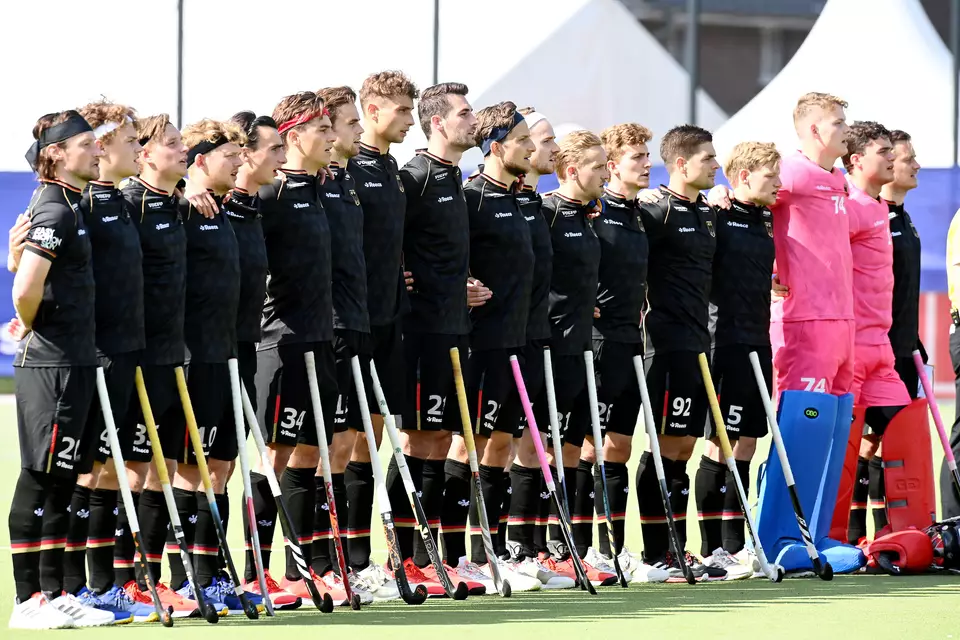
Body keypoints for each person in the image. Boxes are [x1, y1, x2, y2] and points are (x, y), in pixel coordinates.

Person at [7, 109, 116, 630]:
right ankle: (28, 600)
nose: (98, 151)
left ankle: (54, 592)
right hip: (53, 363)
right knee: (41, 476)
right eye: (88, 145)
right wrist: (35, 327)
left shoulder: (73, 203)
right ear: (57, 153)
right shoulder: (55, 208)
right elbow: (25, 287)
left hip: (75, 360)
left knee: (63, 477)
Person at [57, 100, 158, 622]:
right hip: (95, 357)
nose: (139, 148)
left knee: (112, 474)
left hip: (128, 353)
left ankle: (106, 586)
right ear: (102, 145)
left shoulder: (120, 200)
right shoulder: (82, 204)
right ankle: (76, 587)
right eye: (131, 141)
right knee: (88, 474)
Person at [437, 100, 539, 593]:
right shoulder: (471, 196)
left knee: (500, 445)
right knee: (468, 444)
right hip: (480, 342)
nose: (531, 149)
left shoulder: (518, 198)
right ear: (496, 147)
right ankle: (450, 556)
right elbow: (444, 255)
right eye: (522, 141)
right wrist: (459, 284)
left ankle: (488, 553)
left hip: (516, 342)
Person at [251, 91, 342, 603]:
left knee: (311, 453)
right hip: (280, 344)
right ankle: (254, 572)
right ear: (293, 137)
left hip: (322, 340)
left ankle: (296, 572)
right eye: (322, 129)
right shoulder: (271, 194)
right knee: (275, 456)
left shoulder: (323, 187)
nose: (331, 137)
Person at [172, 118, 263, 615]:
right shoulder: (184, 208)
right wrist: (184, 191)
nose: (240, 161)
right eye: (230, 155)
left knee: (222, 469)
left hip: (235, 352)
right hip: (197, 357)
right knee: (194, 470)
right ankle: (186, 579)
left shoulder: (227, 209)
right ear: (201, 160)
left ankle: (214, 575)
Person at [398, 81, 482, 595]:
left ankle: (430, 559)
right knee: (418, 440)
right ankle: (402, 559)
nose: (473, 121)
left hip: (457, 327)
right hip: (421, 330)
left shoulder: (456, 177)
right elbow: (386, 237)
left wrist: (466, 285)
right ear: (437, 122)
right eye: (465, 113)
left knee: (444, 440)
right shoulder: (414, 177)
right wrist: (400, 275)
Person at [219, 111, 302, 610]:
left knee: (235, 462)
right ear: (244, 154)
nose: (282, 157)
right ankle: (229, 576)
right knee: (217, 466)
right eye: (273, 149)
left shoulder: (257, 204)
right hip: (227, 350)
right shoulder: (216, 204)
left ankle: (254, 575)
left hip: (248, 347)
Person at [635, 125, 725, 581]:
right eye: (708, 158)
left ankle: (675, 548)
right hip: (664, 345)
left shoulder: (708, 212)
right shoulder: (655, 211)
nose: (716, 165)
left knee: (686, 446)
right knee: (666, 445)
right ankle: (657, 552)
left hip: (698, 344)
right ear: (681, 164)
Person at [579, 123, 667, 583]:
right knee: (587, 446)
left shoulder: (643, 213)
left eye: (648, 155)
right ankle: (579, 548)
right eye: (637, 156)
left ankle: (611, 549)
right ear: (612, 165)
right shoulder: (593, 210)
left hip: (632, 342)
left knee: (619, 445)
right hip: (596, 343)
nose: (647, 163)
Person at [311, 85, 389, 603]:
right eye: (348, 123)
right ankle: (319, 564)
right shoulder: (307, 184)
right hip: (329, 327)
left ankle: (347, 560)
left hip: (362, 323)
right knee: (322, 448)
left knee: (351, 443)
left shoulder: (349, 179)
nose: (359, 130)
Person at [346, 70, 423, 584]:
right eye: (402, 111)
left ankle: (366, 559)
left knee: (372, 437)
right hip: (355, 320)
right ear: (372, 111)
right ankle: (346, 560)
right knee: (344, 443)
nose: (410, 120)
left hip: (392, 318)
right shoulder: (348, 167)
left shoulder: (393, 168)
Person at [120, 114, 198, 615]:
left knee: (162, 470)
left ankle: (148, 577)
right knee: (130, 471)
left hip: (176, 356)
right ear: (145, 153)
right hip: (138, 358)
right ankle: (120, 580)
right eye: (171, 143)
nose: (182, 150)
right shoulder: (129, 204)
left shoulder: (181, 204)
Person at [695, 142, 780, 580]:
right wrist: (713, 195)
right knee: (720, 443)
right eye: (771, 175)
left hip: (758, 340)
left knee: (748, 442)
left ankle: (736, 545)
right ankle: (713, 549)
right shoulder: (716, 212)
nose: (779, 183)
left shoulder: (768, 216)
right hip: (722, 341)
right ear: (743, 176)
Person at [533, 130, 614, 586]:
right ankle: (529, 548)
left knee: (571, 450)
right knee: (539, 449)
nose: (606, 172)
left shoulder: (588, 214)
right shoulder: (545, 211)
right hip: (551, 346)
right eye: (598, 166)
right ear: (570, 170)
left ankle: (561, 549)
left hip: (583, 345)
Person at [830, 122, 913, 545]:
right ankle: (835, 538)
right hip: (848, 349)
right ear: (857, 160)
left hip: (881, 348)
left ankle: (900, 534)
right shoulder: (844, 204)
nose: (892, 158)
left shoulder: (880, 207)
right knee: (840, 449)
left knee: (903, 432)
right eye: (884, 152)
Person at [504, 109, 574, 590]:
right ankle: (487, 553)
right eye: (543, 139)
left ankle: (526, 551)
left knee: (534, 447)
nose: (549, 149)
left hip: (539, 338)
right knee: (491, 446)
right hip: (499, 340)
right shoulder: (492, 197)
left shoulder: (539, 205)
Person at [864, 129, 922, 532]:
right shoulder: (873, 214)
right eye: (907, 159)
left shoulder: (902, 215)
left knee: (884, 442)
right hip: (876, 349)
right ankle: (858, 535)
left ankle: (888, 531)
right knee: (869, 441)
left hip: (904, 347)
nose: (916, 165)